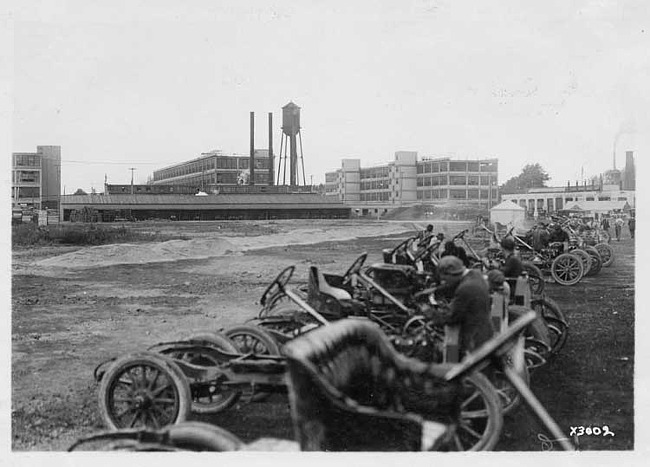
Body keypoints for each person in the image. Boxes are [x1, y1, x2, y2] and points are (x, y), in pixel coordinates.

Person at [420, 256, 494, 355]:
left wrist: (430, 313)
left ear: (451, 274)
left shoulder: (465, 289)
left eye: (445, 279)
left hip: (474, 340)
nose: (444, 282)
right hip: (485, 330)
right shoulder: (475, 275)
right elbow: (454, 283)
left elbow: (451, 318)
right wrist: (435, 290)